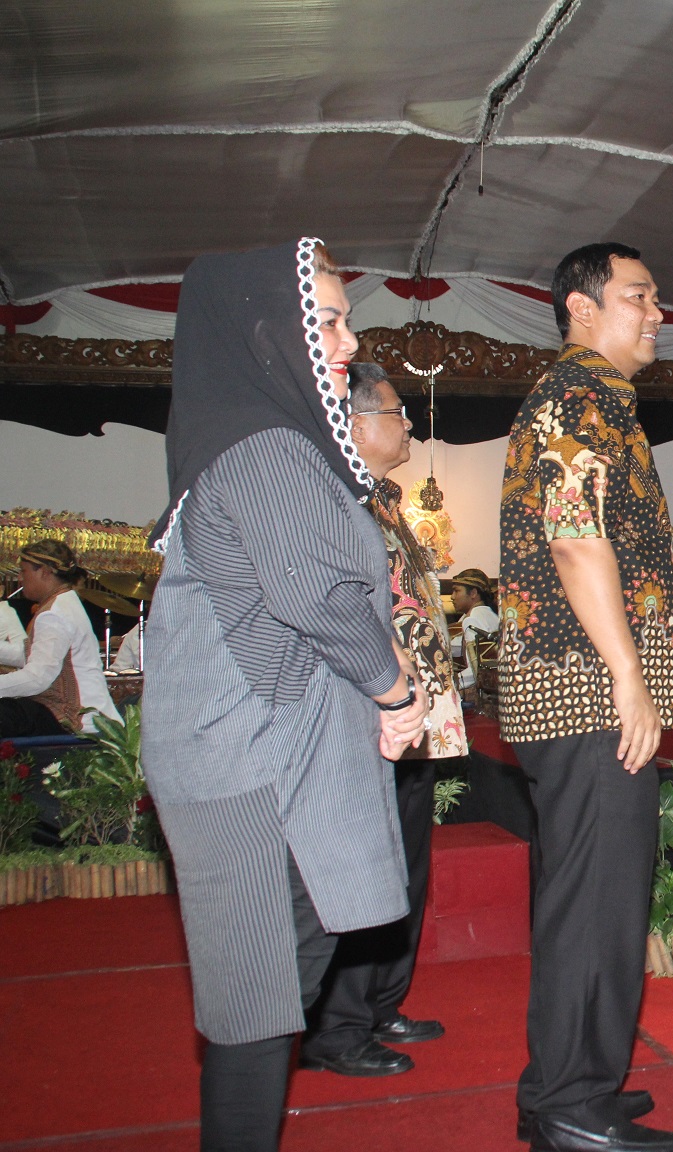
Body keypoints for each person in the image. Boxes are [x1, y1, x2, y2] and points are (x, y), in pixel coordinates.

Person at [140, 238, 430, 1152]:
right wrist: (395, 690)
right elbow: (316, 595)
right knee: (256, 1010)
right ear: (272, 331)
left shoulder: (273, 436)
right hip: (246, 763)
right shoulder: (261, 442)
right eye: (331, 319)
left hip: (271, 756)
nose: (345, 341)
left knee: (278, 991)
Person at [497, 242, 673, 1152]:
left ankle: (585, 1080)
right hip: (585, 687)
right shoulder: (574, 398)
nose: (656, 313)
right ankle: (567, 1104)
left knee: (608, 893)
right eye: (638, 296)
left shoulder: (600, 401)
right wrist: (628, 679)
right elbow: (576, 541)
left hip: (592, 684)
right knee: (592, 897)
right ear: (581, 307)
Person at [300, 363, 467, 1078]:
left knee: (404, 867)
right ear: (357, 423)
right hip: (373, 717)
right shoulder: (334, 499)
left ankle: (378, 1003)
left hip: (416, 720)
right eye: (397, 413)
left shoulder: (385, 501)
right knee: (363, 869)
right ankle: (336, 1025)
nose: (408, 425)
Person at [0, 539, 120, 737]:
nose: (20, 578)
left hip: (82, 722)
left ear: (46, 571)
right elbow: (34, 655)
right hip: (89, 718)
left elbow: (37, 678)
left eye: (24, 571)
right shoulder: (63, 602)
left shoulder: (55, 613)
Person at [449, 569, 500, 698]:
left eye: (457, 590)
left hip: (482, 693)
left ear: (473, 593)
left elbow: (476, 668)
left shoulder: (473, 619)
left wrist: (451, 685)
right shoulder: (489, 615)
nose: (452, 596)